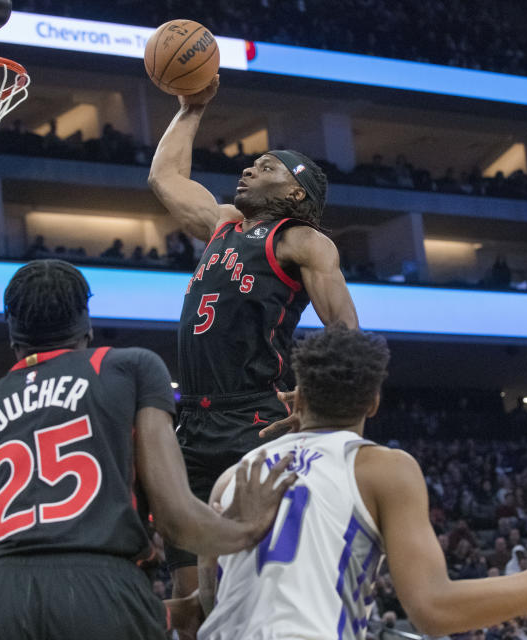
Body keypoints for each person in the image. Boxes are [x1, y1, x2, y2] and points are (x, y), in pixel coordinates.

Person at [193, 326, 527, 640]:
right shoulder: (383, 468)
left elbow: (211, 600)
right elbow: (433, 609)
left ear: (299, 394)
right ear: (373, 402)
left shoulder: (236, 474)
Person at [0, 259, 295, 640]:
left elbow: (36, 569)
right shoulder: (127, 368)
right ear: (86, 324)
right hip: (102, 585)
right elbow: (175, 518)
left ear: (12, 332)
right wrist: (247, 530)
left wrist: (167, 614)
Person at [147, 74, 359, 611]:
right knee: (187, 591)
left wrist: (316, 399)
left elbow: (345, 332)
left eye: (267, 167)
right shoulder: (222, 224)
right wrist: (192, 107)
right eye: (251, 163)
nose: (248, 168)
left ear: (294, 193)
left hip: (251, 422)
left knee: (251, 580)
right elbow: (164, 176)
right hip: (189, 424)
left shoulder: (304, 242)